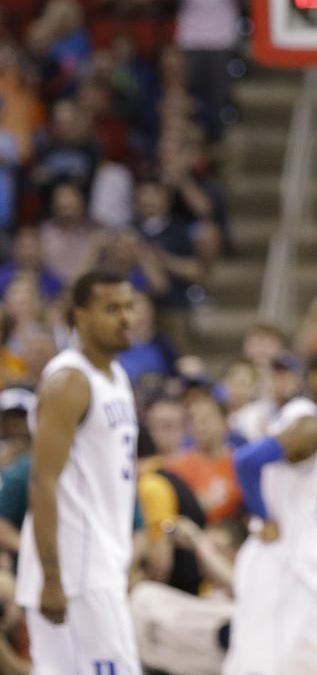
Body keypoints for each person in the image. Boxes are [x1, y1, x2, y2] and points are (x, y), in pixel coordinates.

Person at [15, 269, 141, 673]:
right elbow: (42, 480)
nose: (126, 318)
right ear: (82, 317)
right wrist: (53, 578)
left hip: (102, 559)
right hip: (77, 571)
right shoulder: (69, 381)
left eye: (129, 307)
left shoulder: (116, 375)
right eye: (112, 309)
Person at [222, 345, 317, 675]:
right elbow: (246, 461)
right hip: (285, 561)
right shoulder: (307, 425)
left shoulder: (305, 420)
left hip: (296, 557)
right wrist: (263, 515)